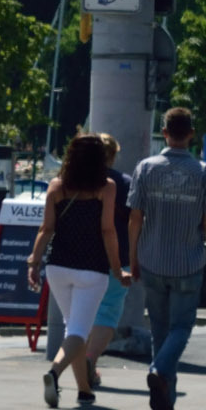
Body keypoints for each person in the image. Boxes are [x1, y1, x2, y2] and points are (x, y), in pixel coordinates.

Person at [128, 107, 206, 410]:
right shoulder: (204, 173)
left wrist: (133, 257)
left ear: (165, 133)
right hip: (188, 261)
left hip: (152, 259)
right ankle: (159, 373)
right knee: (181, 327)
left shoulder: (145, 169)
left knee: (159, 329)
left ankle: (165, 395)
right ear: (191, 135)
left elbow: (135, 218)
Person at [27, 133, 119, 409]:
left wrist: (34, 261)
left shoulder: (57, 187)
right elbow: (107, 230)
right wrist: (118, 268)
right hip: (92, 269)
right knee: (79, 331)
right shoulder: (106, 187)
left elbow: (46, 229)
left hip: (58, 268)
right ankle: (54, 373)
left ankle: (84, 390)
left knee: (74, 330)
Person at [80, 132, 135, 383]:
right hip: (116, 255)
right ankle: (90, 359)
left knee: (82, 312)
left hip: (80, 256)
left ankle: (79, 362)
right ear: (112, 156)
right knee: (108, 311)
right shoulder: (124, 183)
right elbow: (136, 221)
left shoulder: (76, 181)